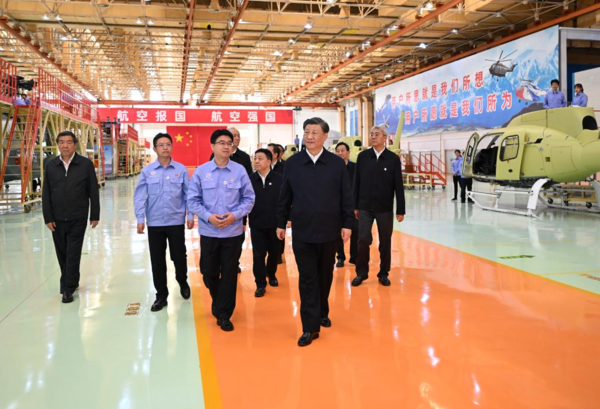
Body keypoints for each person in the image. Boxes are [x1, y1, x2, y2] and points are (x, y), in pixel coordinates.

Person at [277, 117, 353, 347]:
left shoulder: (336, 164)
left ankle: (321, 310)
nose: (309, 136)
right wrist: (281, 222)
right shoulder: (293, 163)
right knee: (308, 278)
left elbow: (346, 196)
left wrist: (347, 223)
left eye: (314, 132)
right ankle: (310, 327)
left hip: (329, 231)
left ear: (324, 136)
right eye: (306, 132)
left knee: (324, 275)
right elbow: (285, 196)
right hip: (302, 230)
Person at [188, 129, 255, 332]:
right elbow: (192, 200)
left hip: (232, 232)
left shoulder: (239, 171)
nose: (226, 146)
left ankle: (224, 314)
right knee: (208, 272)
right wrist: (209, 217)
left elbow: (249, 198)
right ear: (212, 146)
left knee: (228, 273)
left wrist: (235, 216)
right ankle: (219, 301)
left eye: (229, 143)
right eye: (222, 142)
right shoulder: (201, 171)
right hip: (209, 232)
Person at [133, 133, 195, 312]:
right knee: (157, 260)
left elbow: (188, 194)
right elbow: (140, 196)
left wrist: (190, 215)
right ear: (155, 149)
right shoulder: (147, 171)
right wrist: (140, 218)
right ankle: (161, 295)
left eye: (168, 144)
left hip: (175, 221)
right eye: (161, 145)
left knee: (178, 256)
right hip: (155, 223)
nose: (165, 148)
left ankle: (182, 281)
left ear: (172, 147)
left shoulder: (181, 169)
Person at [42, 130, 100, 303]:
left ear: (75, 144)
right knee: (62, 254)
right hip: (57, 218)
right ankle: (72, 281)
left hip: (78, 216)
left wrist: (94, 214)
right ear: (58, 144)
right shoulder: (51, 165)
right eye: (61, 142)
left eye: (69, 142)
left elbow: (93, 191)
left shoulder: (85, 164)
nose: (65, 145)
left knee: (73, 253)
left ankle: (67, 289)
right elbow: (46, 193)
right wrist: (48, 217)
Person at [352, 125, 405, 288]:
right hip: (365, 207)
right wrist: (355, 205)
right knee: (362, 239)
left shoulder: (392, 159)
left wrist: (400, 210)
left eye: (377, 134)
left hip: (385, 208)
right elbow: (356, 182)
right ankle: (361, 273)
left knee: (385, 242)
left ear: (384, 138)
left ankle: (383, 273)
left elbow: (398, 185)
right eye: (371, 134)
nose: (373, 137)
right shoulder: (363, 157)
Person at [210, 127, 252, 274]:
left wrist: (242, 219)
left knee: (237, 242)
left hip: (236, 214)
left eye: (237, 136)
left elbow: (247, 192)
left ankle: (234, 262)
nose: (235, 138)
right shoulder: (211, 160)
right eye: (233, 136)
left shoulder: (244, 159)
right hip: (214, 218)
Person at [249, 148, 283, 297]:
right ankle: (260, 283)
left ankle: (271, 273)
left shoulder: (280, 179)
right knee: (258, 255)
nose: (256, 161)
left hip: (275, 225)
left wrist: (285, 220)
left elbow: (285, 202)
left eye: (260, 158)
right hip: (257, 224)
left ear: (270, 161)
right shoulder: (250, 180)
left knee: (275, 253)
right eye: (255, 158)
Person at [334, 142, 358, 268]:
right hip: (337, 207)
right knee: (338, 233)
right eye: (338, 151)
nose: (340, 153)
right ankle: (340, 257)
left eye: (343, 150)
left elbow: (360, 187)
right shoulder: (332, 168)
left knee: (356, 231)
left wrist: (357, 206)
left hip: (353, 207)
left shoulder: (355, 168)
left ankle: (354, 257)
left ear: (348, 152)